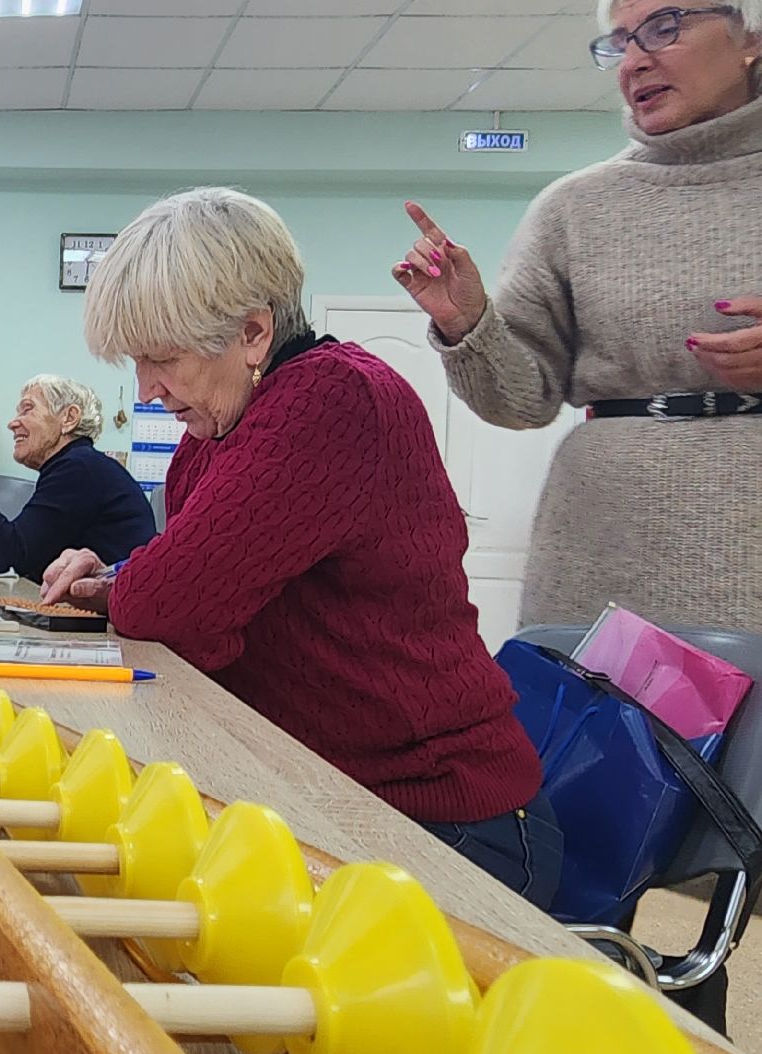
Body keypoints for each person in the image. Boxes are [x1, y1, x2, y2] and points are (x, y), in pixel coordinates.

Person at [42, 188, 560, 910]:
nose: (147, 389)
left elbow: (170, 608)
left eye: (162, 359)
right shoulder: (220, 428)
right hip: (342, 790)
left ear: (254, 333)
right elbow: (202, 581)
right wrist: (122, 575)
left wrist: (137, 586)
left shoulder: (328, 399)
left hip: (447, 819)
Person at [392, 0, 762, 631]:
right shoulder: (573, 206)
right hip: (601, 540)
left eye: (663, 27)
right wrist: (468, 325)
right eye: (619, 42)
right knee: (595, 726)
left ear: (750, 37)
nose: (635, 59)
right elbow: (523, 400)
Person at [0, 376, 156, 582]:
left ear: (68, 419)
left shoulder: (79, 468)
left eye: (27, 409)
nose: (12, 424)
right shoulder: (77, 465)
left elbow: (12, 554)